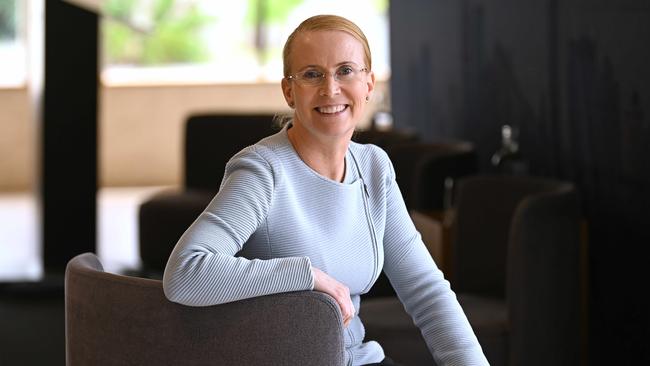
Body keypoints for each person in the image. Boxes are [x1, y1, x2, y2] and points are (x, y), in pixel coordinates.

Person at [163, 14, 489, 366]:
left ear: (369, 84)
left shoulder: (374, 168)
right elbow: (186, 272)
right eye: (312, 74)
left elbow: (426, 292)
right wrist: (307, 276)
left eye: (346, 70)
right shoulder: (263, 171)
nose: (330, 89)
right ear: (289, 91)